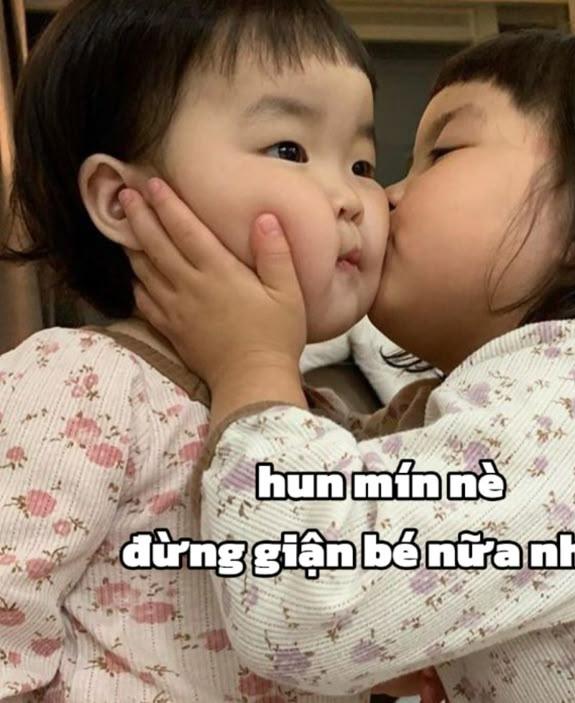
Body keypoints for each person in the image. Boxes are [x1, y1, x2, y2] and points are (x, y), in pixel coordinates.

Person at [122, 30, 575, 701]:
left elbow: (308, 601)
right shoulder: (541, 409)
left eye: (440, 153)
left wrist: (252, 362)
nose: (384, 195)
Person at [0, 0, 427, 699]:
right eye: (289, 150)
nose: (354, 198)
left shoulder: (305, 420)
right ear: (120, 201)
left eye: (361, 162)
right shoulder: (79, 382)